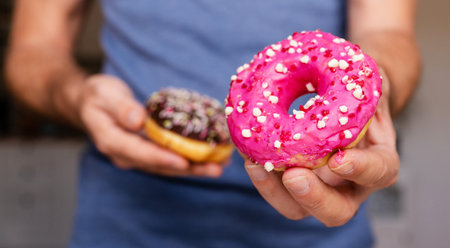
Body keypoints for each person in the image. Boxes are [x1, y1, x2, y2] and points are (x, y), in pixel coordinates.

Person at [5, 0, 420, 247]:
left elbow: (388, 31)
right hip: (124, 222)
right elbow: (33, 48)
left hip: (319, 227)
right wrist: (77, 97)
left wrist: (375, 93)